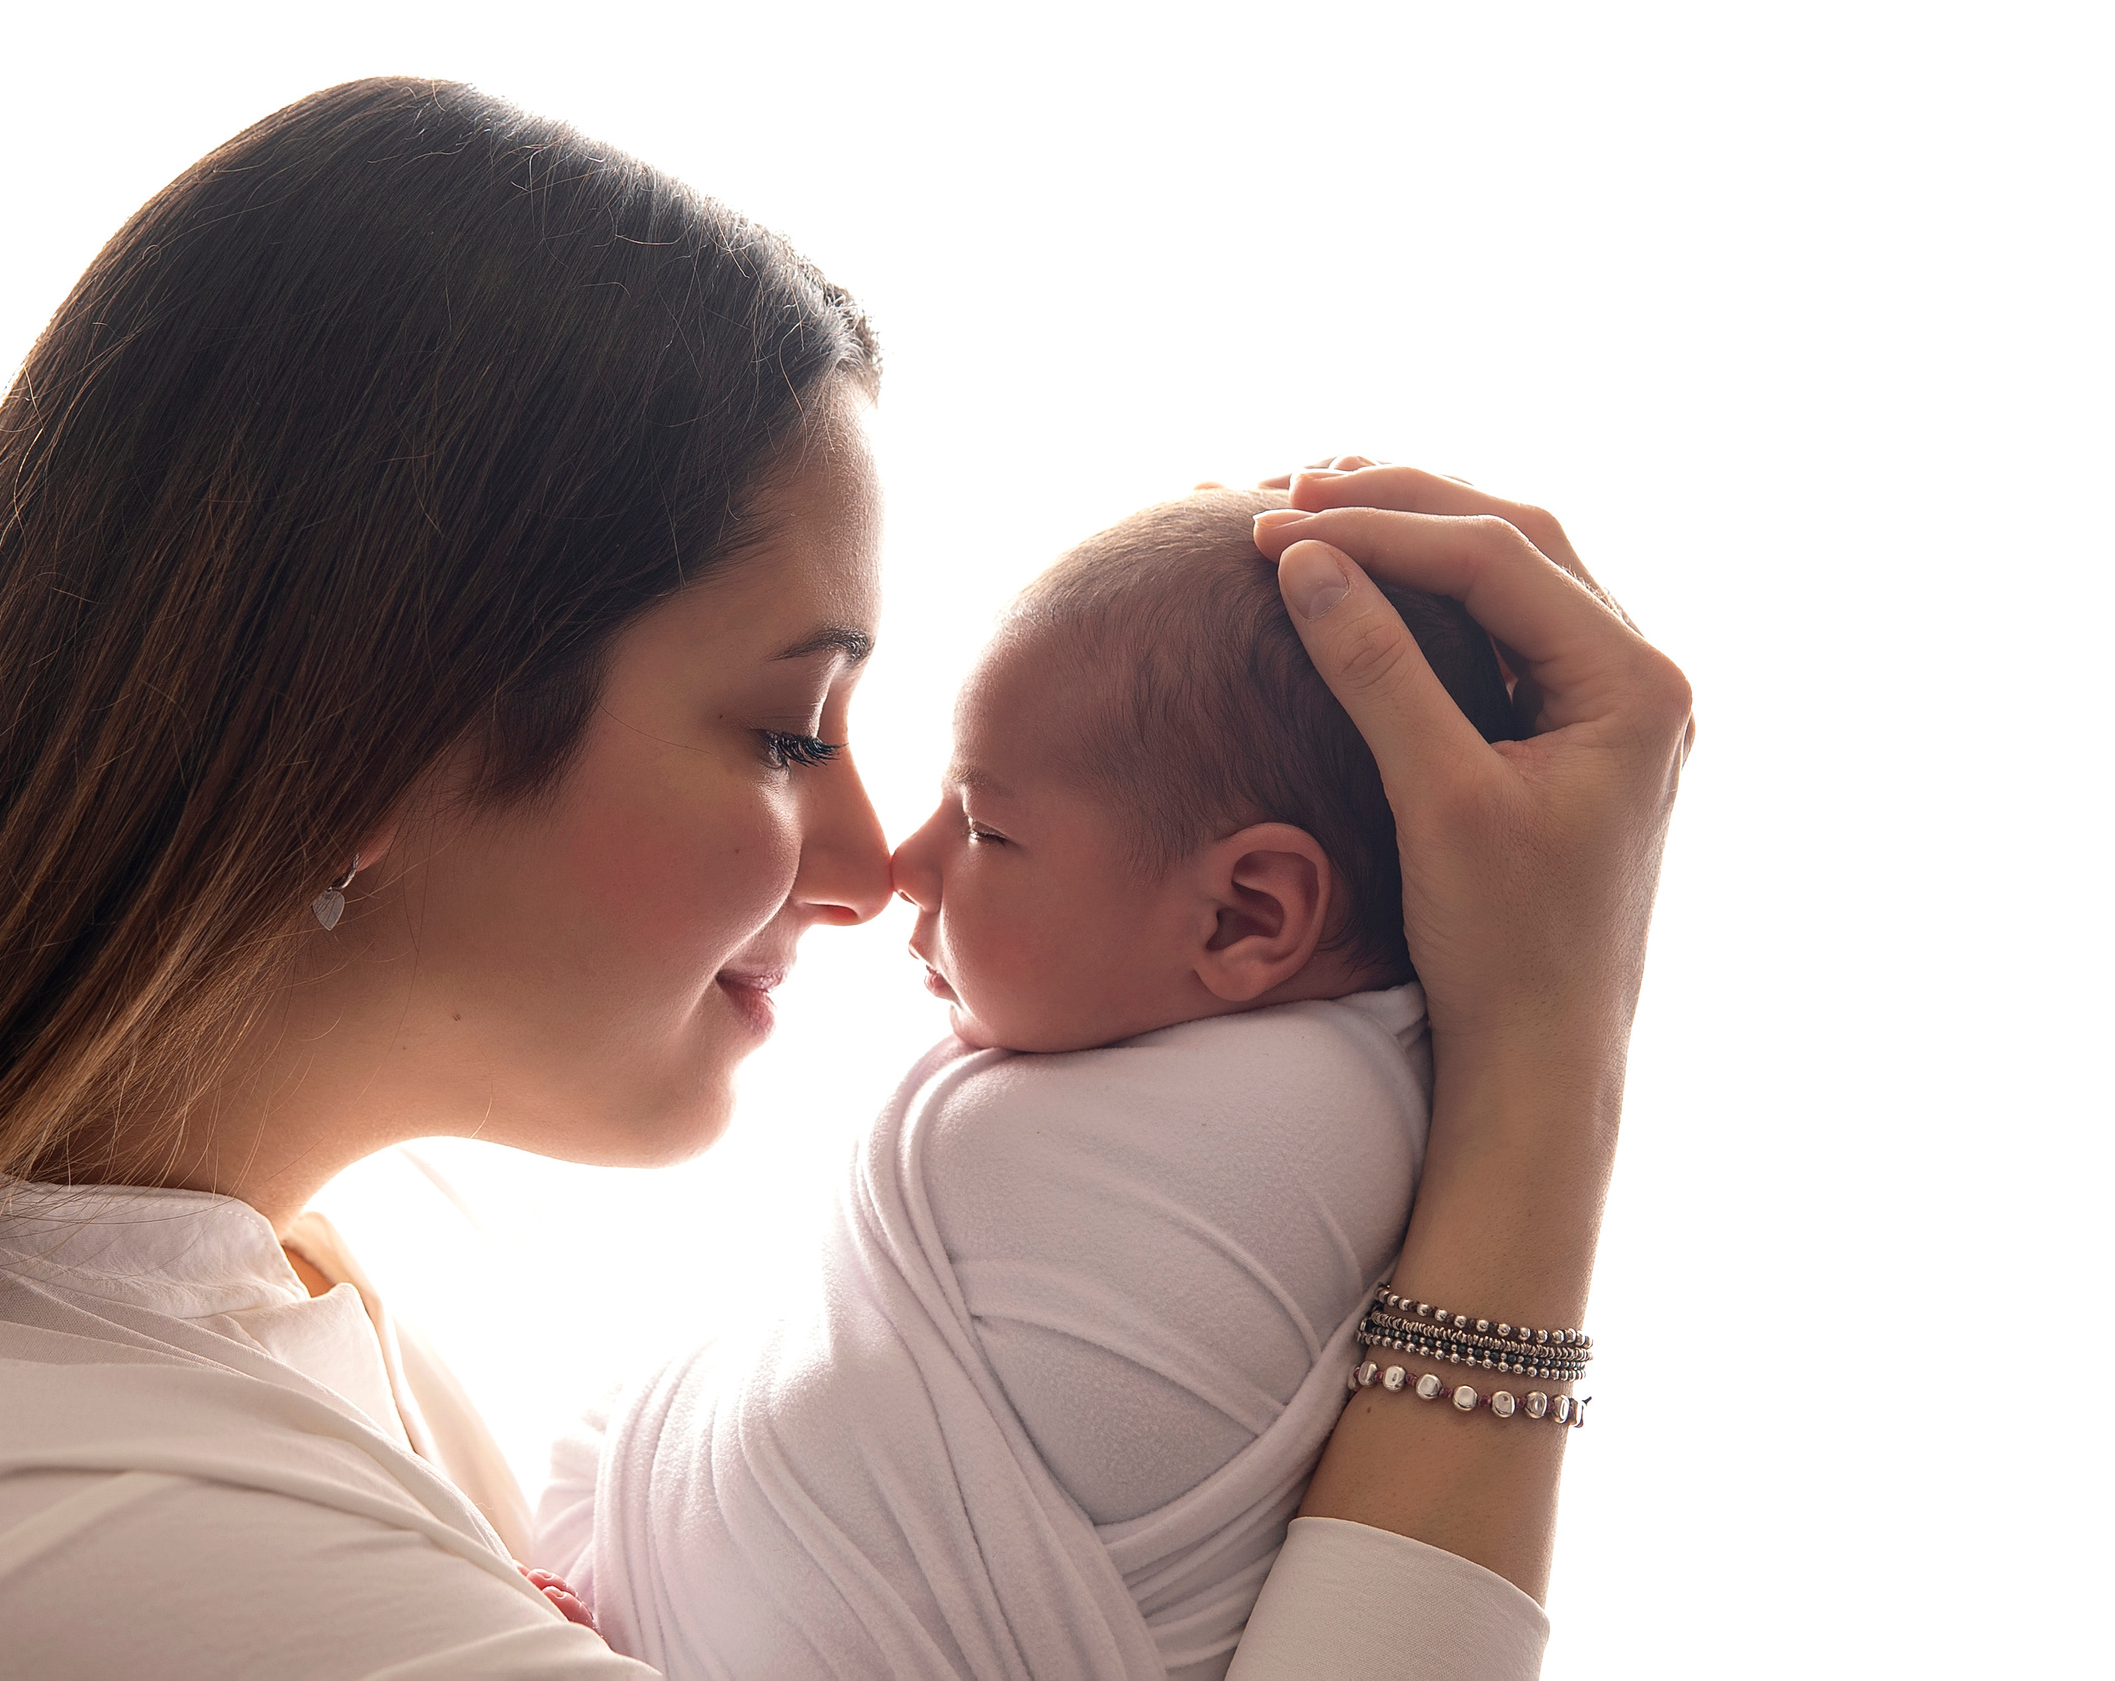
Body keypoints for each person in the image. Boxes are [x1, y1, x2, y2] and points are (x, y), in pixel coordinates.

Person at [0, 76, 1692, 1679]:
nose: (877, 855)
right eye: (787, 729)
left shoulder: (273, 1293)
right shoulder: (24, 1532)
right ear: (364, 730)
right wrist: (1538, 1077)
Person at [534, 487, 1530, 1681]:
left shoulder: (1292, 1140)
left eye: (984, 827)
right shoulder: (1221, 1096)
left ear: (1247, 911)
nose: (904, 862)